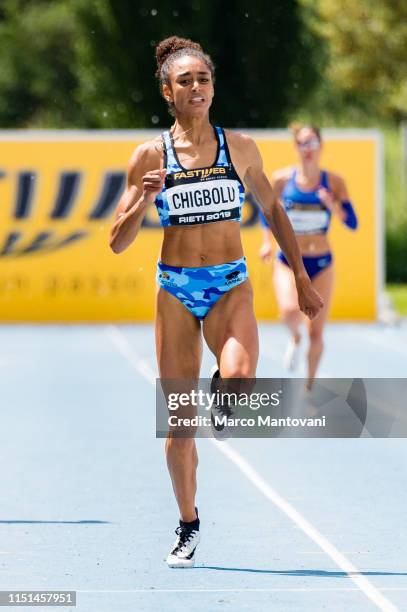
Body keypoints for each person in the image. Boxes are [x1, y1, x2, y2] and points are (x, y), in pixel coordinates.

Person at [109, 37, 323, 569]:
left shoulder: (240, 147)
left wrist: (299, 276)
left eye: (203, 79)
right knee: (180, 425)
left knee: (242, 380)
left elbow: (274, 211)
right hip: (177, 290)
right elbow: (117, 240)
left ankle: (221, 393)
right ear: (167, 92)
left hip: (230, 284)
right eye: (185, 82)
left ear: (212, 87)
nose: (197, 88)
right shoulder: (149, 155)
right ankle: (187, 524)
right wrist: (143, 198)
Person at [259, 123, 358, 390]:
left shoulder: (334, 182)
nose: (308, 148)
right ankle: (294, 338)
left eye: (313, 142)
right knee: (290, 311)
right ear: (296, 147)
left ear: (321, 146)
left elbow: (352, 223)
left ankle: (309, 387)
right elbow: (267, 213)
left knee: (316, 331)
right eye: (303, 143)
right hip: (289, 261)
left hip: (322, 263)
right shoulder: (281, 179)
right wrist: (267, 243)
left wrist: (332, 206)